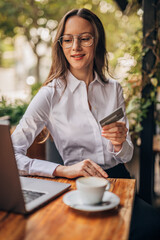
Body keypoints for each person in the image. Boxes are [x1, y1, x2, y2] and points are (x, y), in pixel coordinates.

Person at [12, 8, 160, 240]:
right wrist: (62, 170)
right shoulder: (50, 94)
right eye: (68, 39)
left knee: (151, 227)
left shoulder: (113, 89)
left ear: (97, 42)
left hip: (120, 181)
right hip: (77, 186)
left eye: (85, 38)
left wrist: (121, 143)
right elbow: (11, 155)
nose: (75, 47)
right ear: (60, 45)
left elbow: (127, 155)